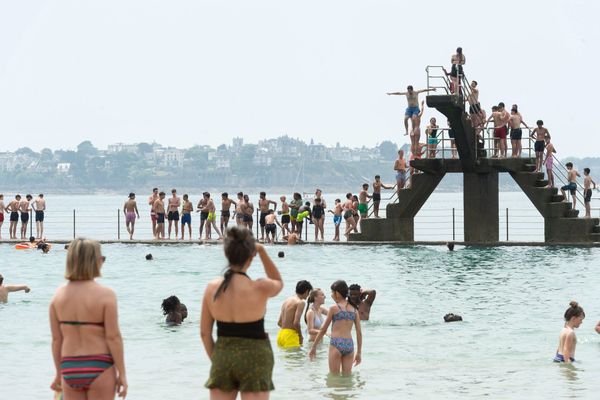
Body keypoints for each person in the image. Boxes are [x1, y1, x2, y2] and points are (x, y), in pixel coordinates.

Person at [201, 227, 283, 399]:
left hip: (224, 353)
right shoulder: (260, 287)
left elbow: (205, 334)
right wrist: (261, 250)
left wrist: (218, 360)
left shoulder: (212, 288)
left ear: (226, 253)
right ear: (251, 255)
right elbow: (278, 282)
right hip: (255, 355)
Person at [49, 239, 127, 398]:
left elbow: (57, 340)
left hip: (70, 367)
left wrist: (58, 373)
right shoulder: (106, 295)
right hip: (99, 364)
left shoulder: (58, 296)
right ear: (94, 262)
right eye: (101, 258)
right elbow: (113, 337)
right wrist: (122, 374)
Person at [308, 280, 362, 376]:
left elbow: (323, 330)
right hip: (349, 345)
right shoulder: (354, 309)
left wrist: (314, 346)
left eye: (332, 292)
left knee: (333, 377)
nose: (331, 295)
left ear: (337, 293)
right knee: (347, 377)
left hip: (336, 343)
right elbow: (359, 332)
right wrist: (359, 353)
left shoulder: (334, 308)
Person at [277, 280, 313, 348]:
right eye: (309, 293)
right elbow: (296, 323)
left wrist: (286, 332)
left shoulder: (286, 301)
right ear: (306, 291)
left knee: (286, 358)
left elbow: (279, 322)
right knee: (296, 358)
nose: (308, 295)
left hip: (281, 335)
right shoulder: (300, 302)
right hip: (290, 336)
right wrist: (300, 336)